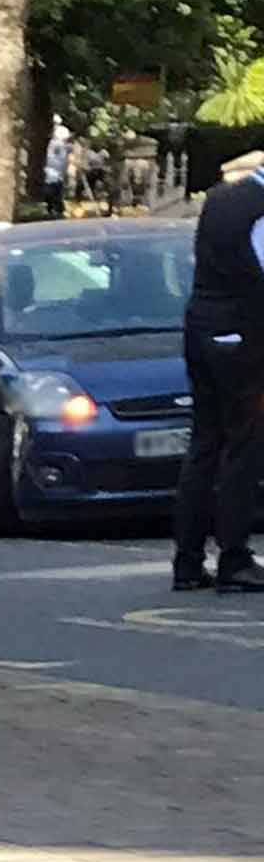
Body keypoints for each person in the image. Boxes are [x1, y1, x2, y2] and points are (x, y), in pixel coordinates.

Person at [171, 162, 264, 594]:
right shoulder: (259, 209)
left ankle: (187, 561)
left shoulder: (220, 198)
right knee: (243, 446)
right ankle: (234, 558)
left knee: (205, 442)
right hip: (243, 333)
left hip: (202, 325)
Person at [44, 120, 71, 218]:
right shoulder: (55, 144)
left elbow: (64, 159)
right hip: (52, 172)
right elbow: (54, 156)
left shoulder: (62, 146)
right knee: (52, 191)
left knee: (58, 191)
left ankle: (58, 209)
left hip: (58, 173)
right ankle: (52, 209)